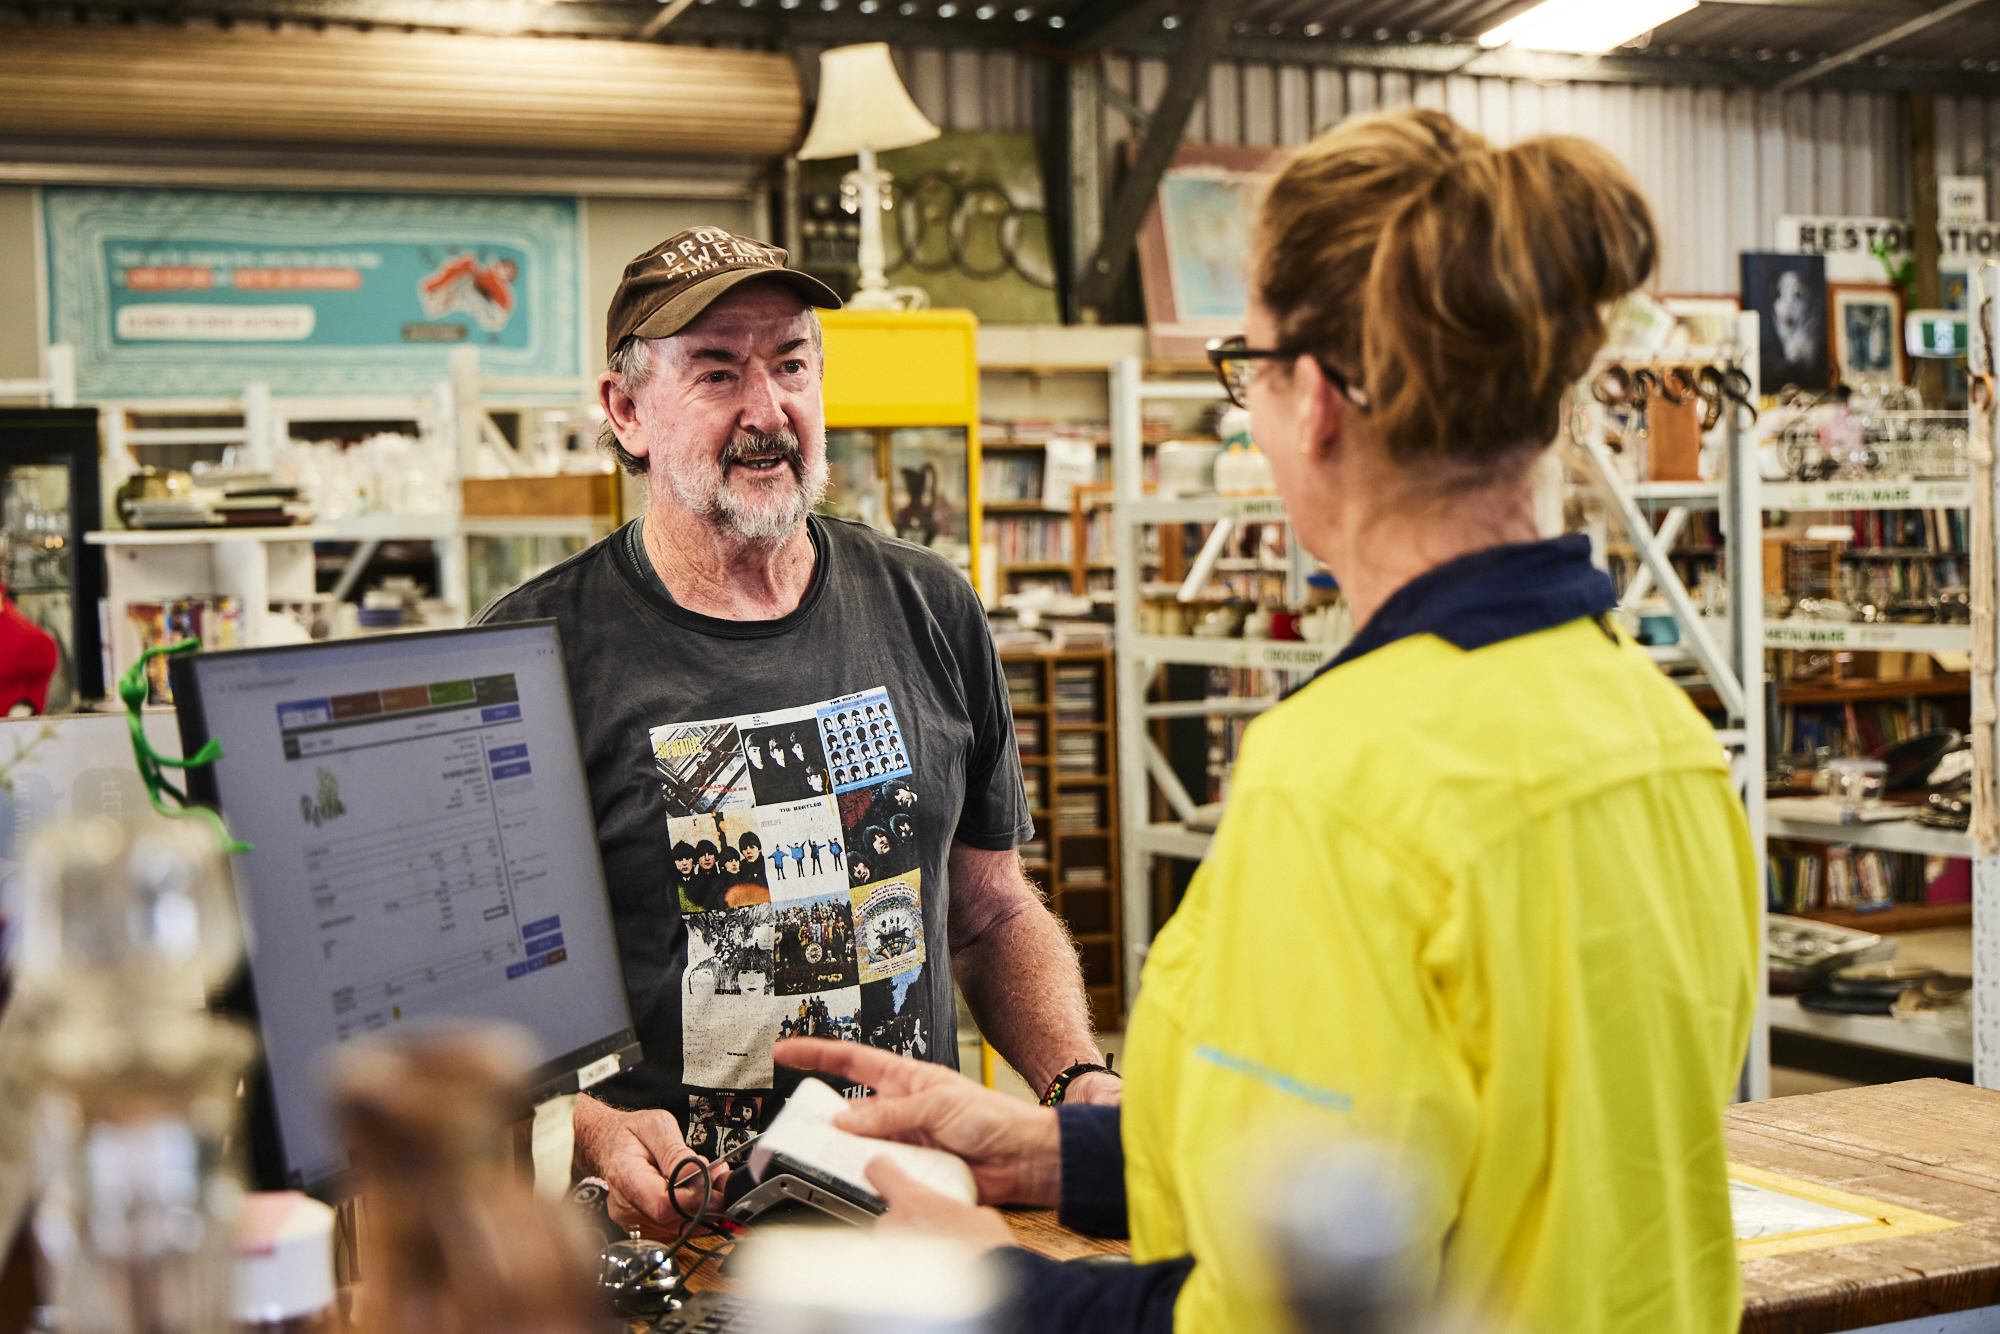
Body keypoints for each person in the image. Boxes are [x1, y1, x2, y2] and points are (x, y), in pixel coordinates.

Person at [779, 108, 1758, 1334]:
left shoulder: (1346, 783)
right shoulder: (1656, 736)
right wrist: (1055, 1153)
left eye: (1249, 368)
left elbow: (1285, 1315)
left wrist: (990, 1284)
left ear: (1322, 402)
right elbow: (1422, 1150)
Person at [475, 226, 1115, 1237]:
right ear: (626, 411)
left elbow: (990, 913)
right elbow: (477, 998)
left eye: (790, 364)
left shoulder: (929, 608)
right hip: (672, 1240)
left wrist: (1075, 1080)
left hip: (912, 1221)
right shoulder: (528, 650)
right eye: (718, 372)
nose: (766, 411)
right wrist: (584, 1123)